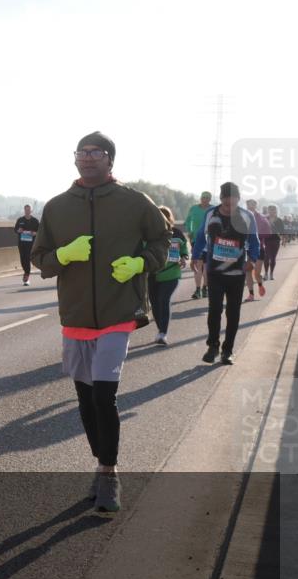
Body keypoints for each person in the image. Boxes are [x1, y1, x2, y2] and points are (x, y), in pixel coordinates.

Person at [31, 132, 169, 514]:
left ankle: (108, 474)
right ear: (74, 158)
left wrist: (142, 263)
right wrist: (62, 254)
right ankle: (101, 460)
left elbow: (163, 240)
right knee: (87, 399)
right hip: (75, 316)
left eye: (96, 152)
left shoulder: (135, 202)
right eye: (82, 152)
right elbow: (40, 258)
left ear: (110, 159)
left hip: (117, 313)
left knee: (104, 395)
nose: (88, 158)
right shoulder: (57, 208)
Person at [191, 182, 260, 366]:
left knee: (233, 311)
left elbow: (254, 242)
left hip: (237, 273)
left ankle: (227, 350)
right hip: (215, 271)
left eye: (234, 204)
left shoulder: (247, 216)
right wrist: (195, 256)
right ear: (220, 200)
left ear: (239, 200)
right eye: (226, 204)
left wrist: (252, 260)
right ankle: (212, 346)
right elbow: (200, 237)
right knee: (214, 310)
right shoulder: (211, 214)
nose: (230, 208)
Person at [148, 206, 188, 345]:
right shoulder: (148, 233)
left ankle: (163, 333)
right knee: (154, 304)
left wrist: (184, 257)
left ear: (169, 218)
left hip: (171, 273)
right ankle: (160, 329)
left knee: (163, 300)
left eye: (163, 217)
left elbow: (183, 249)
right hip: (152, 275)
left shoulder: (176, 233)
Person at [184, 191, 212, 300]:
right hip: (196, 240)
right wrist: (189, 231)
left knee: (207, 266)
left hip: (210, 241)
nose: (205, 199)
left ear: (210, 199)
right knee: (198, 265)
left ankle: (205, 288)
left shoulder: (213, 210)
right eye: (203, 197)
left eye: (207, 197)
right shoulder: (194, 209)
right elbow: (187, 221)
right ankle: (197, 289)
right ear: (200, 198)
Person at [244, 199, 269, 302]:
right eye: (248, 204)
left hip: (258, 248)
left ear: (256, 205)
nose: (250, 206)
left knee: (257, 274)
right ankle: (251, 294)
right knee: (248, 271)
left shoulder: (261, 218)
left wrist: (257, 236)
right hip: (246, 248)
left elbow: (268, 232)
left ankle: (260, 285)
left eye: (252, 204)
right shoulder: (242, 216)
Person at [13, 204, 40, 286]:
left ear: (31, 211)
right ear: (24, 210)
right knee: (23, 259)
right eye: (26, 210)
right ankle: (26, 272)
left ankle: (27, 275)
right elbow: (15, 230)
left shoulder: (35, 221)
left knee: (28, 258)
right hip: (21, 243)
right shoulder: (20, 220)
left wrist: (34, 233)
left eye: (29, 210)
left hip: (31, 244)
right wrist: (19, 230)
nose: (27, 211)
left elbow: (39, 232)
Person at [264, 205, 284, 280]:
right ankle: (266, 274)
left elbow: (282, 231)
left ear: (276, 211)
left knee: (273, 258)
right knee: (266, 257)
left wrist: (283, 239)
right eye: (270, 210)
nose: (272, 211)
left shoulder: (279, 220)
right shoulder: (265, 219)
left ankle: (271, 274)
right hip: (266, 240)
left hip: (276, 240)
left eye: (273, 210)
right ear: (268, 211)